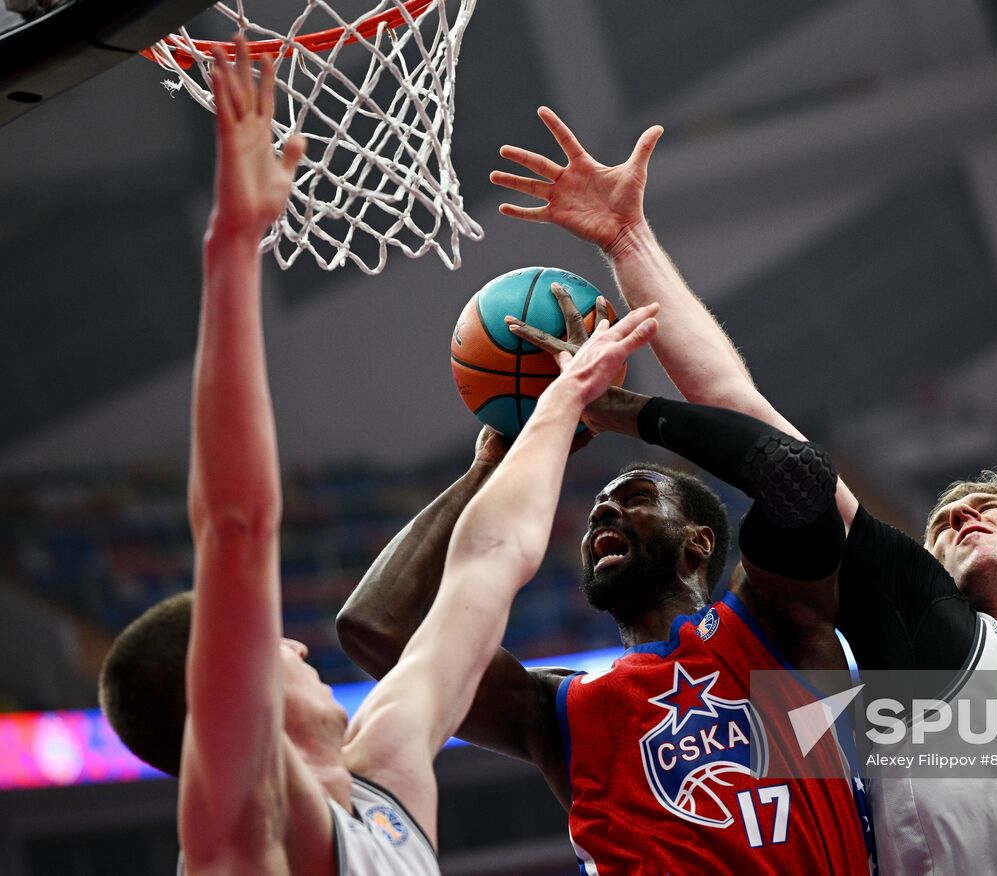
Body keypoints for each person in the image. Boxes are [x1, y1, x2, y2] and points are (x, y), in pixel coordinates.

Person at [488, 107, 997, 871]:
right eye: (942, 520)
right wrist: (629, 243)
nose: (962, 510)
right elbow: (747, 415)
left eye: (991, 507)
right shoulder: (922, 625)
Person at [97, 42, 660, 875]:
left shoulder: (386, 778)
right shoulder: (239, 834)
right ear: (219, 688)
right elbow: (237, 527)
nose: (292, 647)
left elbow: (490, 562)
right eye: (262, 647)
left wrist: (562, 402)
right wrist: (232, 249)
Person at [337, 282, 874, 873]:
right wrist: (487, 468)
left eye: (637, 496)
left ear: (700, 541)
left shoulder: (774, 631)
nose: (604, 513)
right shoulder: (568, 710)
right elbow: (373, 627)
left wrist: (612, 408)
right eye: (597, 512)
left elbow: (798, 480)